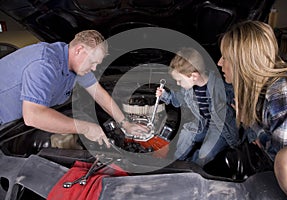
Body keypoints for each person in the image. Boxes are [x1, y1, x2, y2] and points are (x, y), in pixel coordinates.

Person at [0, 30, 148, 148]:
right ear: (79, 50)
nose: (94, 68)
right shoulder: (45, 63)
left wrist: (126, 124)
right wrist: (85, 128)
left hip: (11, 122)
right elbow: (34, 116)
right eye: (93, 62)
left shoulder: (76, 66)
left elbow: (100, 95)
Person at [217, 20, 287, 200]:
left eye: (225, 57)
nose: (219, 62)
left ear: (243, 61)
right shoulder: (261, 92)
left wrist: (251, 124)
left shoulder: (282, 90)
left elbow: (283, 162)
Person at [156, 47, 239, 167]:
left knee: (204, 154)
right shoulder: (189, 89)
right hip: (202, 123)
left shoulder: (222, 87)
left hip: (221, 128)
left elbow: (245, 111)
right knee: (185, 135)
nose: (178, 84)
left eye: (179, 80)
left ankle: (193, 168)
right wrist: (165, 95)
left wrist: (250, 135)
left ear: (194, 76)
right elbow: (179, 100)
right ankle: (175, 163)